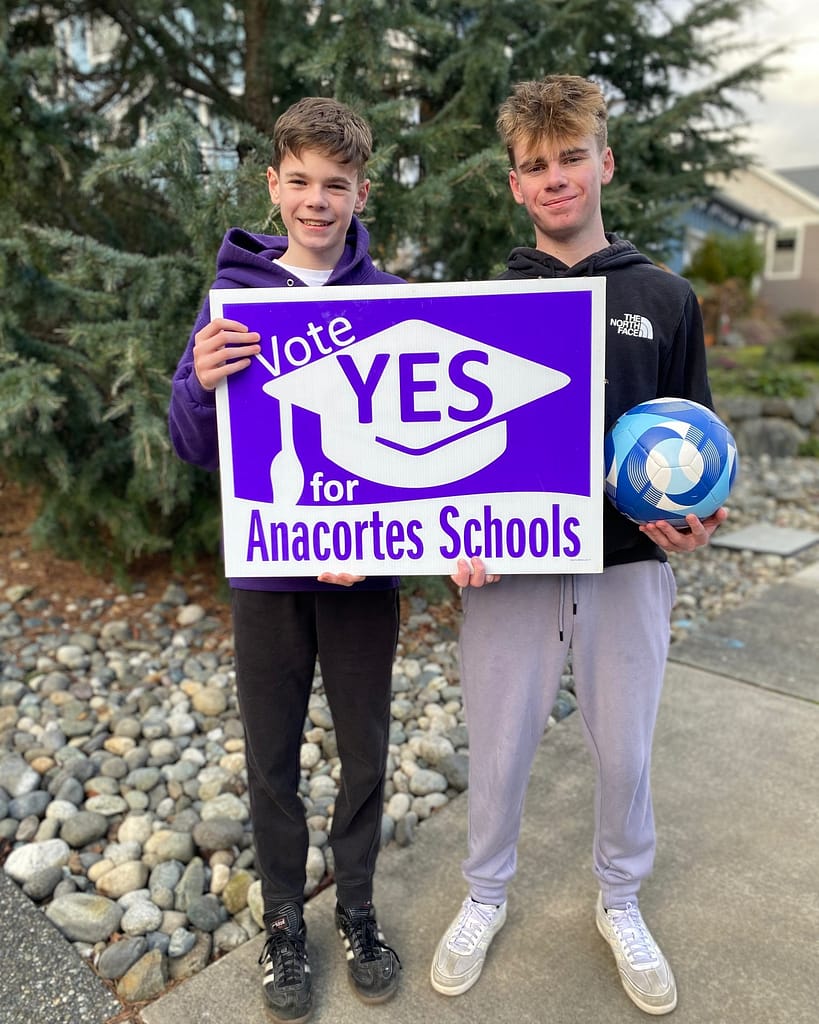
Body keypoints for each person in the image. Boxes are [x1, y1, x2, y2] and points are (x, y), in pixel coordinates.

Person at [430, 75, 727, 1016]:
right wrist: (448, 531)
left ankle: (620, 899)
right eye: (535, 165)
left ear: (604, 163)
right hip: (509, 567)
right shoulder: (486, 299)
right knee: (498, 747)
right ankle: (484, 894)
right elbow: (447, 448)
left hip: (626, 567)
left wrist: (696, 520)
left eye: (570, 157)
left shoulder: (663, 295)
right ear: (514, 185)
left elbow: (694, 441)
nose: (554, 177)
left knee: (625, 754)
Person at [169, 96, 402, 1024]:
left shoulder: (392, 300)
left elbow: (413, 454)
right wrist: (199, 380)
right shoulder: (230, 299)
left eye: (335, 184)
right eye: (299, 181)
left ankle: (356, 910)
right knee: (271, 757)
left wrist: (381, 537)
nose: (316, 200)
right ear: (272, 185)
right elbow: (195, 445)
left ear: (360, 193)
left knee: (365, 749)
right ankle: (280, 922)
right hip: (268, 574)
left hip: (362, 579)